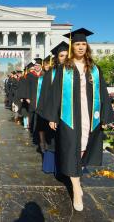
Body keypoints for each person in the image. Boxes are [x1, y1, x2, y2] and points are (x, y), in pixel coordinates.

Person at [43, 28, 114, 211]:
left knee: (84, 148)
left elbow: (103, 93)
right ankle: (76, 188)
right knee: (70, 148)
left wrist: (105, 115)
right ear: (72, 46)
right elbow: (55, 93)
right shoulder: (64, 68)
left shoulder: (95, 69)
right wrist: (52, 116)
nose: (81, 47)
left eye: (83, 44)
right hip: (70, 115)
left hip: (90, 114)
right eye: (77, 44)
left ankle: (76, 181)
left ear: (86, 46)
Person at [37, 41, 69, 173]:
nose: (65, 58)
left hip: (70, 113)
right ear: (57, 57)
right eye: (62, 55)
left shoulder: (74, 72)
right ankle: (52, 167)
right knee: (54, 141)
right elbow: (45, 96)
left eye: (67, 55)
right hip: (54, 113)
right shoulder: (51, 74)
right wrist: (50, 116)